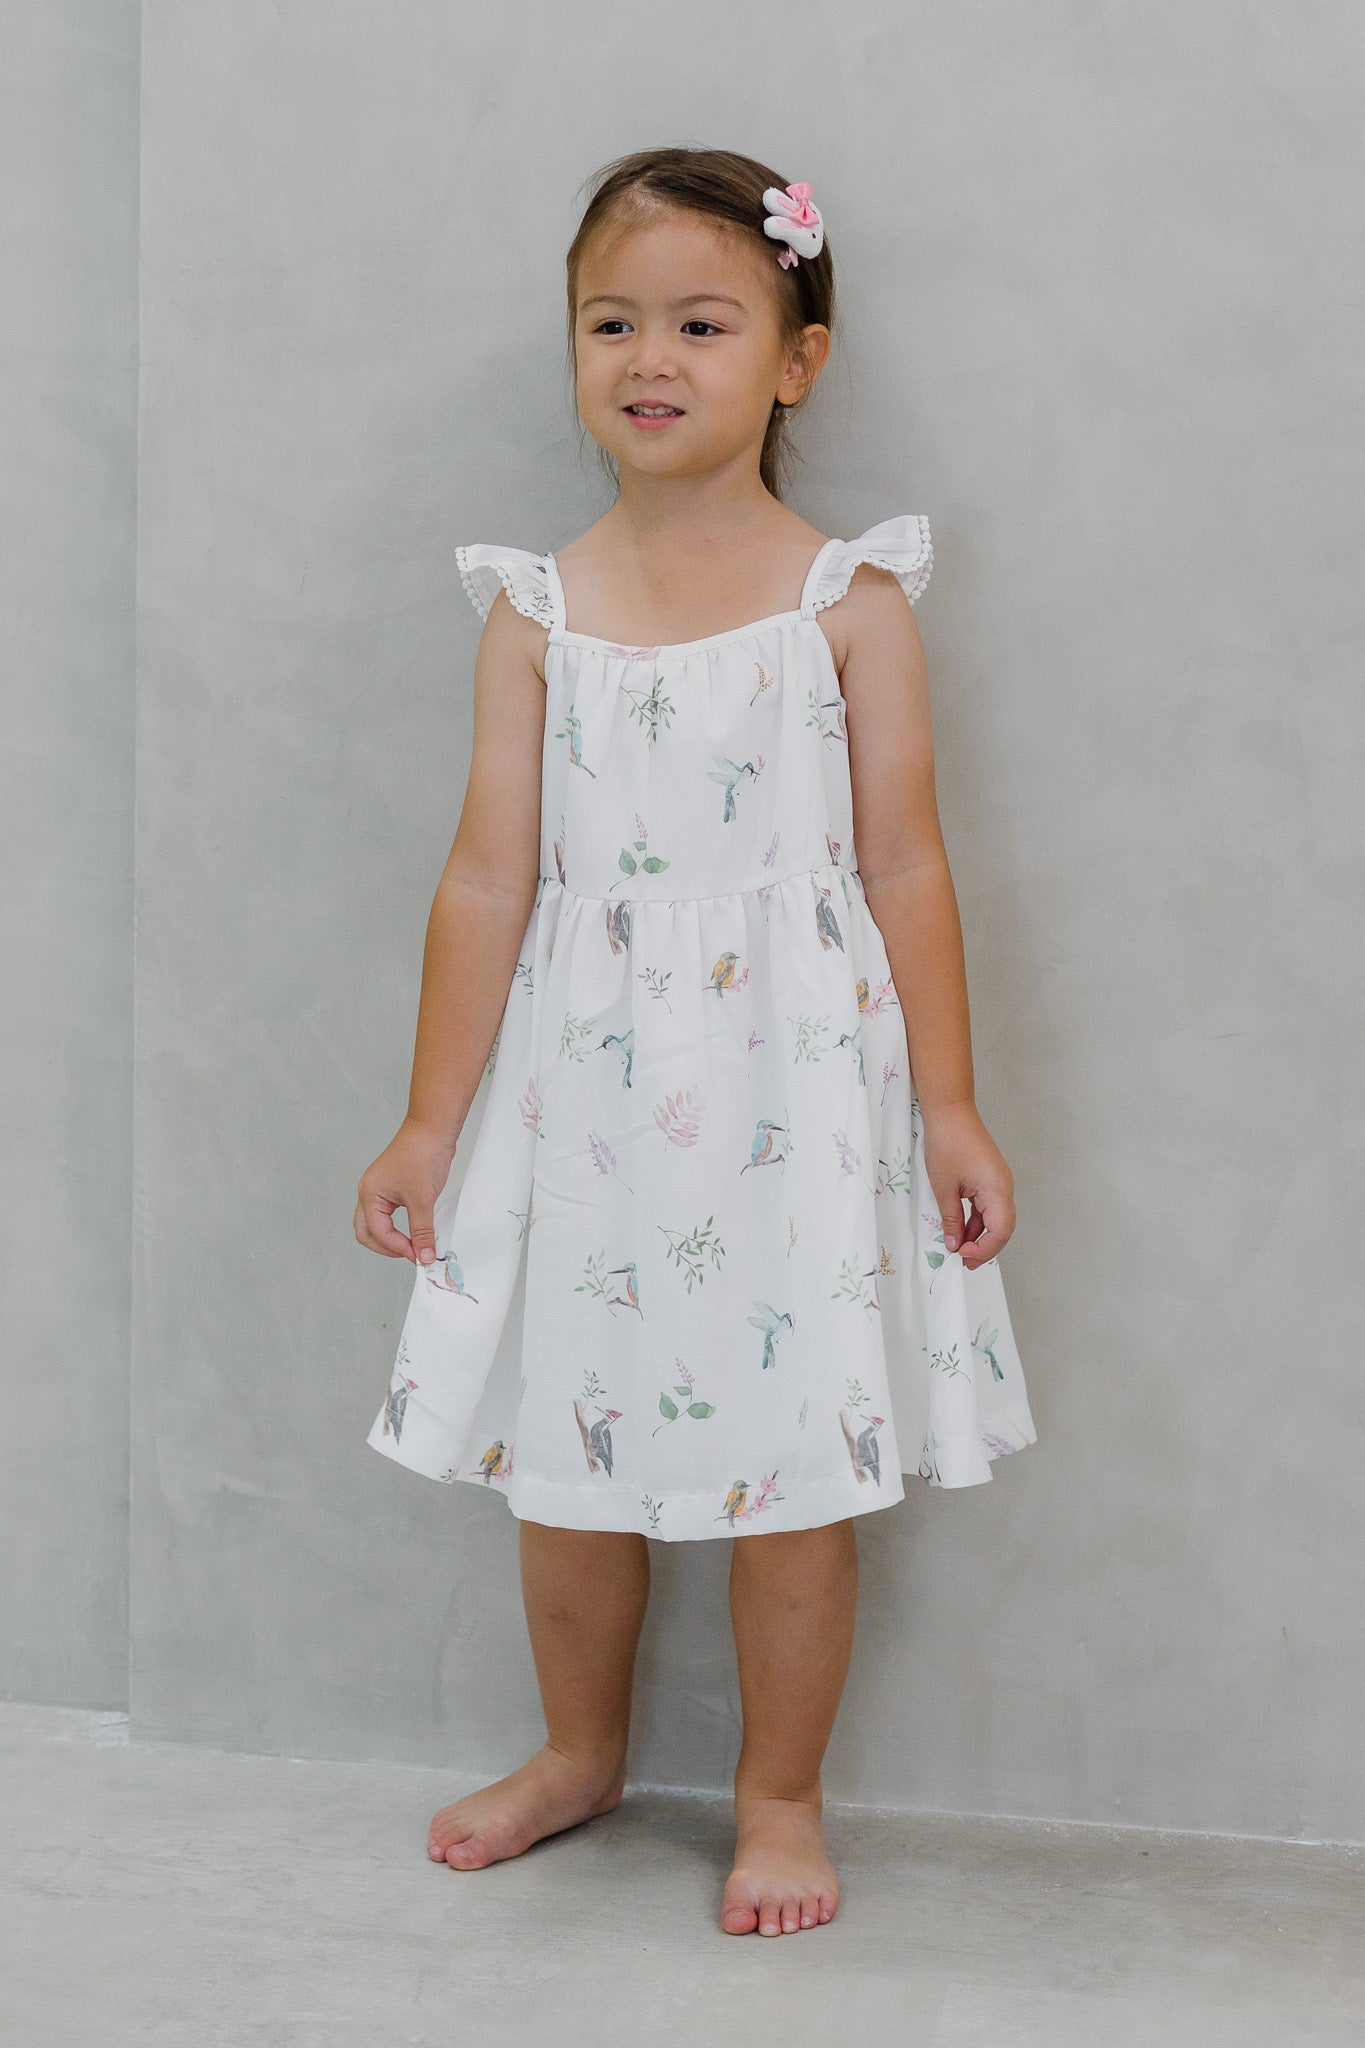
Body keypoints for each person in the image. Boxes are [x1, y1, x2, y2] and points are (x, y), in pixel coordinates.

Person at [354, 146, 1037, 1937]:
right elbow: (487, 881)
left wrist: (949, 1104)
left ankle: (779, 1796)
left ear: (795, 361)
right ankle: (578, 1751)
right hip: (581, 1099)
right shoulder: (538, 615)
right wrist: (429, 1123)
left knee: (792, 1465)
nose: (648, 357)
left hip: (793, 1096)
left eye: (702, 323)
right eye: (611, 323)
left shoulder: (846, 606)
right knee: (566, 1455)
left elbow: (905, 863)